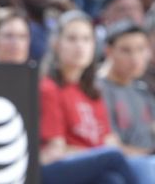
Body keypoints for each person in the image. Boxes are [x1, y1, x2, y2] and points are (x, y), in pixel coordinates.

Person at [39, 11, 138, 184]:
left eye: (86, 39)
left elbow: (109, 140)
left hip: (92, 164)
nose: (80, 46)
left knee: (111, 179)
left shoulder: (93, 91)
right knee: (112, 157)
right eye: (72, 39)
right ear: (56, 44)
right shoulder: (48, 88)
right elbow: (55, 151)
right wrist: (98, 153)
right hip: (55, 168)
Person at [98, 21, 155, 184]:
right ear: (108, 51)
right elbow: (111, 148)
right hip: (126, 168)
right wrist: (149, 154)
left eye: (141, 49)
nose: (135, 58)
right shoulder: (96, 90)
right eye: (126, 50)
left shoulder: (142, 91)